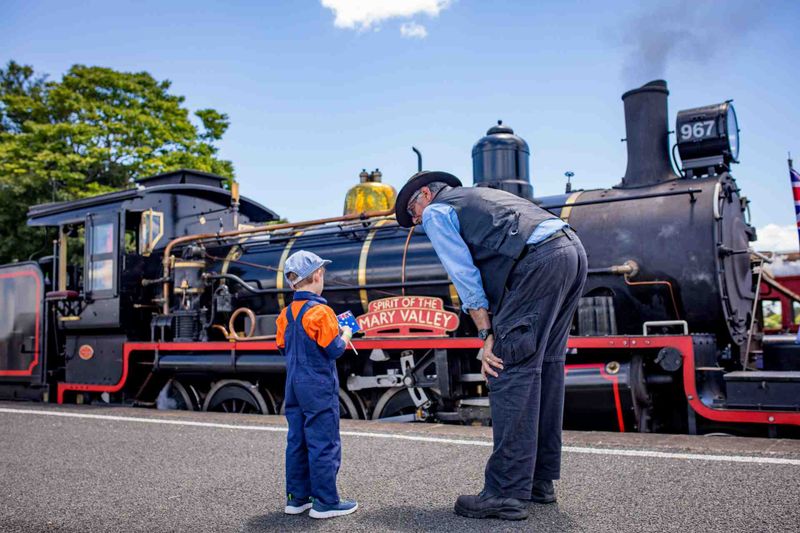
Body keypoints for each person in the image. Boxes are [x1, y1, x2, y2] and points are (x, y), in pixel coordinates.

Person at [395, 171, 588, 521]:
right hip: (571, 251)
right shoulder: (479, 197)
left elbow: (464, 275)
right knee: (544, 368)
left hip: (539, 262)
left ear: (426, 194)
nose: (416, 221)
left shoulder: (439, 211)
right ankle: (538, 482)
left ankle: (504, 491)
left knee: (509, 367)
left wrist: (487, 336)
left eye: (413, 211)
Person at [276, 250, 358, 519]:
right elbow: (334, 349)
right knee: (323, 442)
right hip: (318, 385)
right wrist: (346, 332)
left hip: (293, 385)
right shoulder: (322, 312)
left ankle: (297, 498)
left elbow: (281, 347)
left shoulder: (285, 314)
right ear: (318, 275)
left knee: (296, 440)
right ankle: (325, 501)